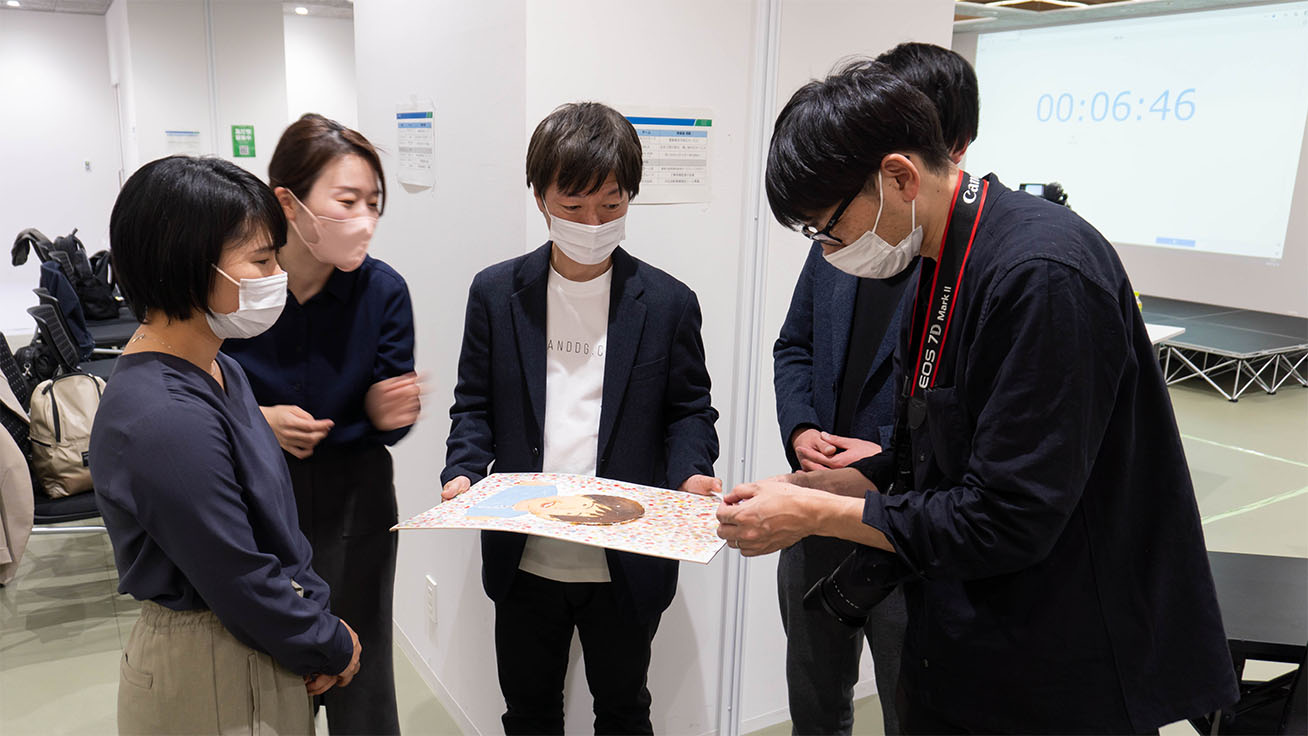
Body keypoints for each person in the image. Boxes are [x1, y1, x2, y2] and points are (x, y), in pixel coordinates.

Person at [718, 60, 1238, 734]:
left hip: (1058, 659)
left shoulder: (1040, 273)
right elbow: (935, 451)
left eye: (829, 229)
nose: (830, 251)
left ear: (899, 177)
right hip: (970, 637)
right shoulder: (939, 261)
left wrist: (815, 513)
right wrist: (832, 485)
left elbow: (1006, 516)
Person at [441, 101, 721, 735]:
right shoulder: (495, 294)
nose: (593, 223)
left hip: (624, 560)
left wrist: (693, 476)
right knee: (530, 714)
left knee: (624, 713)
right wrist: (462, 471)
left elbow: (688, 412)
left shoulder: (670, 303)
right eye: (573, 207)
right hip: (524, 558)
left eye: (613, 206)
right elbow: (475, 404)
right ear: (541, 196)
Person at [89, 155, 361, 734]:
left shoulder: (222, 370)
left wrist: (314, 613)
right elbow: (235, 573)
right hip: (208, 659)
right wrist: (329, 643)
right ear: (188, 265)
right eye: (260, 260)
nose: (275, 275)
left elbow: (273, 528)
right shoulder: (160, 415)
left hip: (259, 641)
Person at [771, 42, 978, 736]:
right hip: (814, 499)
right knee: (814, 699)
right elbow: (793, 344)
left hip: (909, 527)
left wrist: (883, 458)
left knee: (911, 705)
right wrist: (801, 431)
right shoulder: (843, 228)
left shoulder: (977, 269)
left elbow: (967, 429)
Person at [222, 113, 418, 735]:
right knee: (271, 660)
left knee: (362, 657)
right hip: (252, 497)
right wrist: (257, 421)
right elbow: (195, 385)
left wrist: (388, 418)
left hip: (355, 499)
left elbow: (389, 409)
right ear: (289, 202)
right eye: (346, 199)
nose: (363, 217)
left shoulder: (383, 291)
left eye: (374, 203)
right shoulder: (242, 286)